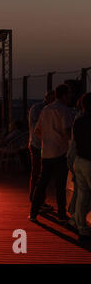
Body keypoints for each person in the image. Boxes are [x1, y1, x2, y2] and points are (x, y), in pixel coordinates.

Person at [29, 84, 75, 223]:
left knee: (42, 183)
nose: (70, 97)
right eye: (69, 94)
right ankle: (61, 215)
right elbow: (67, 130)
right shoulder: (64, 110)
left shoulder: (45, 110)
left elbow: (37, 130)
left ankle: (33, 213)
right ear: (64, 95)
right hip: (60, 152)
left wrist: (47, 139)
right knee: (60, 186)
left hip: (46, 152)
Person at [70, 93, 91, 242]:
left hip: (79, 160)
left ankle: (81, 227)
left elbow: (74, 143)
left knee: (82, 196)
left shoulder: (78, 121)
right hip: (90, 161)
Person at [28, 91, 55, 204]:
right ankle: (36, 198)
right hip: (38, 144)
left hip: (38, 144)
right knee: (39, 172)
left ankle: (37, 198)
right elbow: (36, 128)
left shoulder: (37, 108)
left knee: (39, 172)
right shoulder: (42, 109)